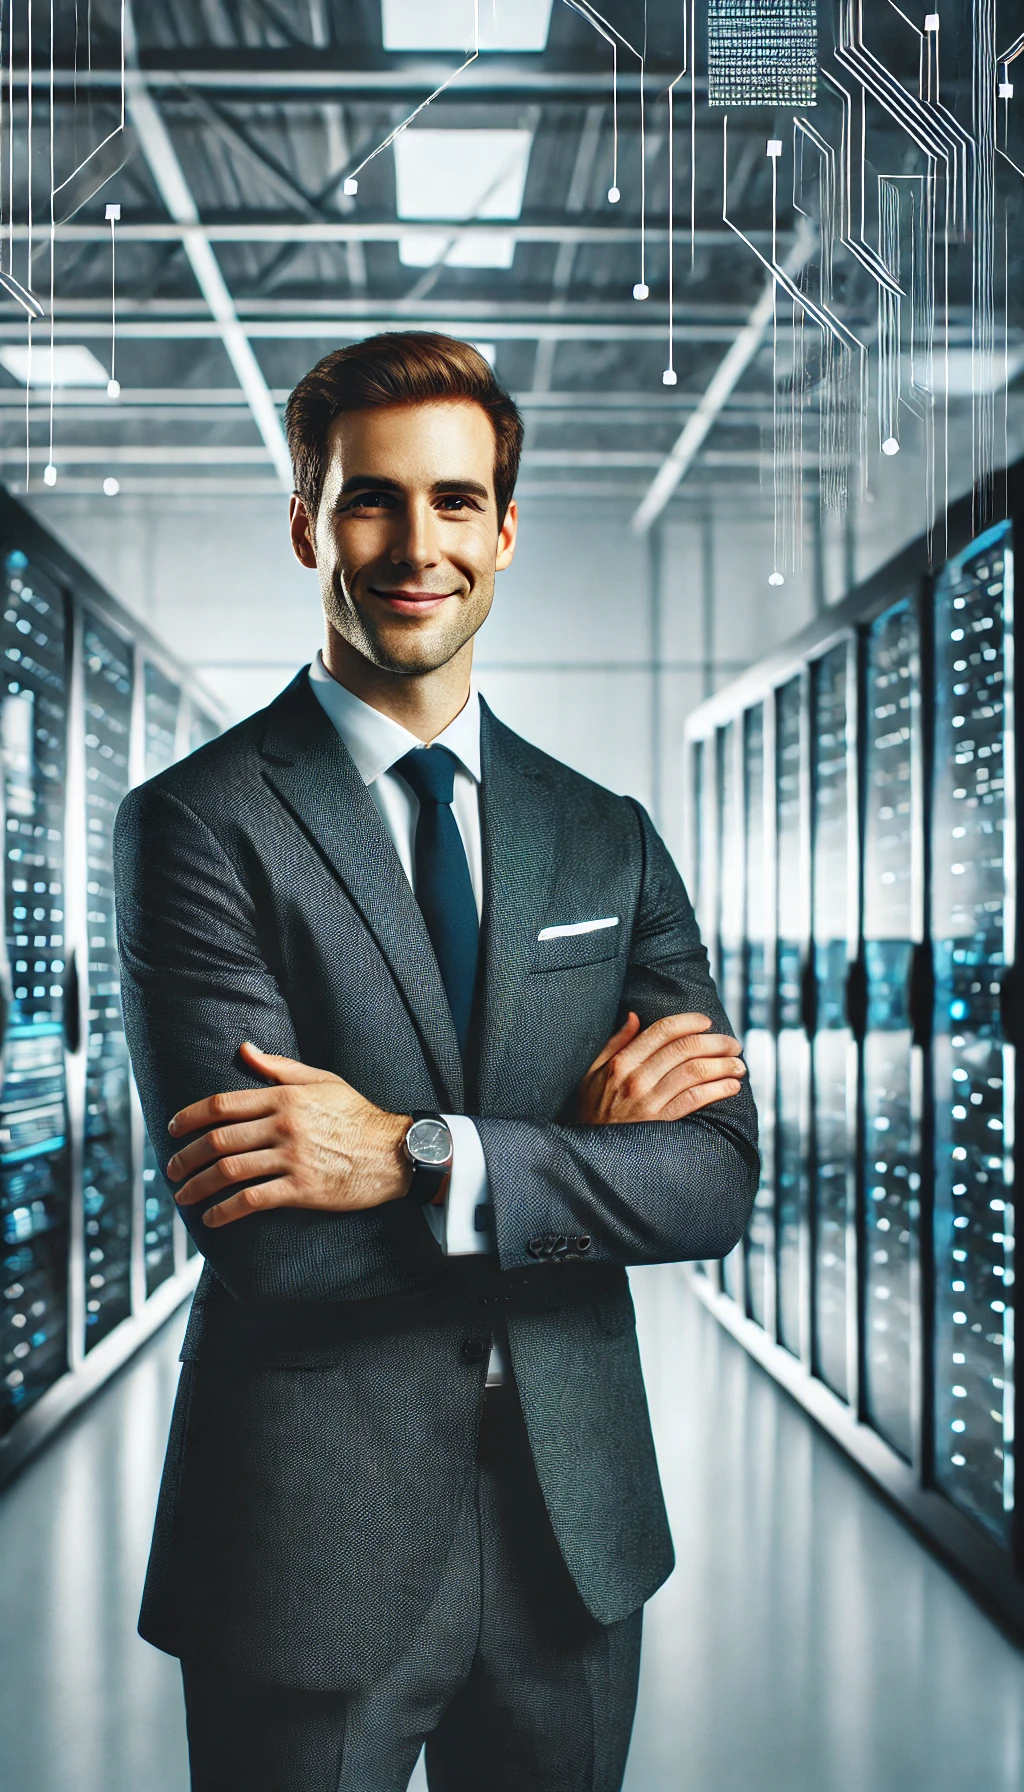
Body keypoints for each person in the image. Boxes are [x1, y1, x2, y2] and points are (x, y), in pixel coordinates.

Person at [115, 332, 758, 1792]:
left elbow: (715, 1181)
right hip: (304, 1535)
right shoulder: (198, 828)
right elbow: (268, 1239)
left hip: (573, 1527)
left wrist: (410, 1154)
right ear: (303, 522)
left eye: (458, 502)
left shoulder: (607, 837)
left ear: (507, 529)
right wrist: (576, 1170)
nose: (419, 546)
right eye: (370, 501)